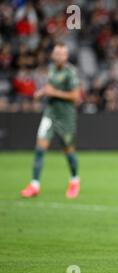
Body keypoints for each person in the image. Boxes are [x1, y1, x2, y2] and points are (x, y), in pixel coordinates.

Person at [20, 42, 81, 199]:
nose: (59, 56)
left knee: (68, 150)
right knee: (40, 148)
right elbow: (49, 88)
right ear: (53, 55)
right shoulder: (52, 69)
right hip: (50, 114)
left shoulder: (71, 72)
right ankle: (34, 185)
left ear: (66, 56)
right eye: (57, 54)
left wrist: (54, 92)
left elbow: (75, 96)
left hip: (66, 117)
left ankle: (74, 180)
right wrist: (41, 93)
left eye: (62, 54)